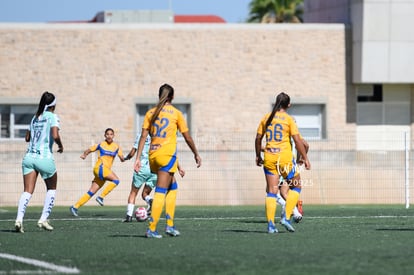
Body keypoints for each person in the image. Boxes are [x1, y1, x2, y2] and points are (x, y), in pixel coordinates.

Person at [134, 83, 201, 238]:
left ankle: (170, 225)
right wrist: (196, 153)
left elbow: (143, 136)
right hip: (167, 156)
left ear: (160, 96)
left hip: (153, 156)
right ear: (172, 97)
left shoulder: (150, 112)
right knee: (161, 191)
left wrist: (137, 158)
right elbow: (187, 137)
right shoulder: (176, 113)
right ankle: (151, 228)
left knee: (173, 187)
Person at [255, 92, 310, 233]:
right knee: (296, 186)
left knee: (271, 192)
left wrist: (257, 156)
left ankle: (271, 225)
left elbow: (258, 138)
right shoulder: (289, 119)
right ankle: (286, 216)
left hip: (269, 157)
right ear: (289, 104)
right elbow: (298, 141)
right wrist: (305, 158)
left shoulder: (266, 117)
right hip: (284, 158)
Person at [15, 91, 64, 233]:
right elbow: (55, 135)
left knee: (27, 191)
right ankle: (43, 219)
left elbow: (27, 138)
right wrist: (60, 145)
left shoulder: (34, 117)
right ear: (53, 105)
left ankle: (19, 219)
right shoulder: (53, 117)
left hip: (29, 157)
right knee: (52, 188)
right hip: (44, 158)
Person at [123, 132, 186, 222]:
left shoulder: (141, 135)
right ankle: (150, 200)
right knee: (145, 194)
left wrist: (126, 158)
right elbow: (168, 154)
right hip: (154, 169)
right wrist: (179, 168)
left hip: (142, 168)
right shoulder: (159, 137)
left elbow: (132, 152)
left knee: (133, 193)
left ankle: (129, 216)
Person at [70, 128, 125, 216]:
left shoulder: (116, 147)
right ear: (105, 136)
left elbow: (122, 158)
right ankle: (101, 197)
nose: (109, 136)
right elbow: (89, 149)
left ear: (113, 136)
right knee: (116, 180)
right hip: (99, 168)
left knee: (91, 192)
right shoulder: (101, 144)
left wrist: (124, 158)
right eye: (107, 134)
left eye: (111, 134)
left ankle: (75, 207)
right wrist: (84, 154)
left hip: (103, 172)